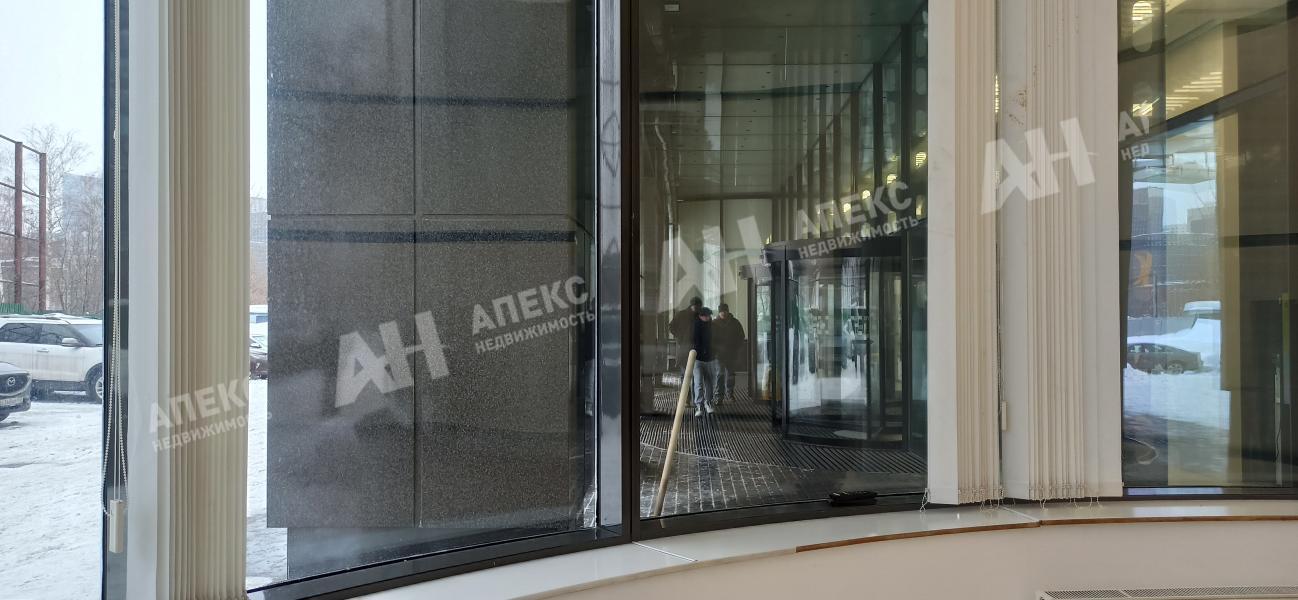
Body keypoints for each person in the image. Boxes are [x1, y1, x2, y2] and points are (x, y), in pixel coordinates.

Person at [690, 307, 723, 417]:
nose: (707, 317)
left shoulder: (712, 326)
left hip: (708, 358)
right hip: (699, 358)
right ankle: (700, 405)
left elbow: (717, 340)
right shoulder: (696, 326)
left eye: (708, 315)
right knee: (699, 382)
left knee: (708, 383)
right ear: (701, 316)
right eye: (706, 316)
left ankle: (707, 402)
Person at [668, 297, 702, 401]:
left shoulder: (698, 315)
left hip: (694, 349)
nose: (696, 308)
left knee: (694, 376)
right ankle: (687, 398)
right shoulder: (682, 315)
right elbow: (671, 327)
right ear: (691, 305)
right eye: (695, 306)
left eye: (697, 306)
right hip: (685, 349)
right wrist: (681, 337)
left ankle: (692, 399)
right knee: (686, 375)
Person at [712, 303, 746, 403]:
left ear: (728, 311)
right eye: (721, 311)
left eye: (725, 311)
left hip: (731, 353)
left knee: (730, 374)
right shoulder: (714, 323)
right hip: (719, 354)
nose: (723, 313)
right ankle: (719, 396)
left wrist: (736, 348)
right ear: (719, 312)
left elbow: (741, 336)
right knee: (720, 374)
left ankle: (730, 394)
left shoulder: (735, 323)